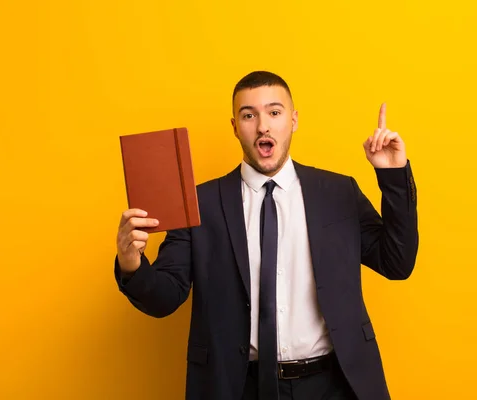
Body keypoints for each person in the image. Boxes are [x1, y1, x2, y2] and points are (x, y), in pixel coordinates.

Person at [115, 70, 419, 400]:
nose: (263, 126)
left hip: (334, 385)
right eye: (249, 115)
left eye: (274, 112)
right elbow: (164, 298)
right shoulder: (200, 204)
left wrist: (392, 176)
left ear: (294, 120)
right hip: (239, 387)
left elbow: (397, 263)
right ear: (235, 126)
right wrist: (132, 265)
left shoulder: (338, 192)